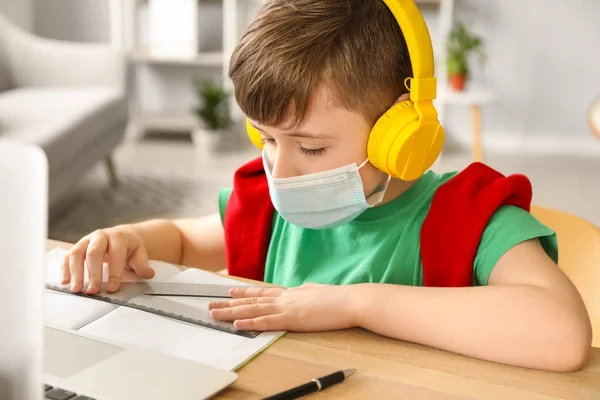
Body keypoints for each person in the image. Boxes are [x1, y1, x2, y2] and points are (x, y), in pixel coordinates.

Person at [61, 0, 591, 372]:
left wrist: (354, 304)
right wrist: (130, 239)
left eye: (310, 147)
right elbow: (181, 241)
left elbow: (562, 335)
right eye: (267, 139)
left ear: (398, 135)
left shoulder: (470, 217)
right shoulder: (266, 210)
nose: (280, 170)